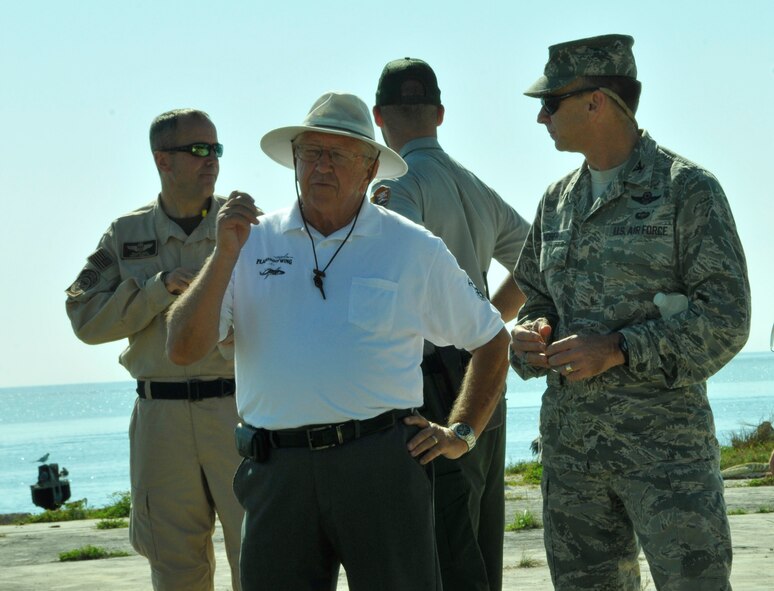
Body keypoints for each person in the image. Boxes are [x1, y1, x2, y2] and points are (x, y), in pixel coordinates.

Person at [165, 91, 511, 591]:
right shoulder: (248, 241)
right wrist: (222, 256)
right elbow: (183, 348)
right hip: (276, 470)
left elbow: (491, 339)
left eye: (338, 154)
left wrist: (463, 433)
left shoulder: (412, 247)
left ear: (370, 168)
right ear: (295, 161)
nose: (320, 166)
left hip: (381, 468)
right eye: (310, 153)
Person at [509, 34, 750, 590]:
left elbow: (727, 319)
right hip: (573, 461)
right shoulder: (557, 200)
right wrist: (530, 333)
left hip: (666, 458)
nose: (541, 118)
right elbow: (536, 297)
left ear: (596, 101)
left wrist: (618, 349)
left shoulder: (686, 191)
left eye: (551, 103)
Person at [65, 109, 246, 591]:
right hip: (160, 419)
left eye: (217, 149)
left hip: (237, 412)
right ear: (162, 159)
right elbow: (83, 317)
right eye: (199, 150)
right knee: (174, 567)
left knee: (262, 558)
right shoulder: (126, 236)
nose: (212, 160)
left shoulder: (247, 227)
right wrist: (155, 289)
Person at [371, 57, 530, 591]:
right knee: (481, 531)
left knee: (440, 542)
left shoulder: (397, 184)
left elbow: (393, 270)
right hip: (485, 372)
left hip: (432, 377)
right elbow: (538, 260)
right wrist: (489, 321)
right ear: (439, 114)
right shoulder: (472, 184)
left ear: (378, 117)